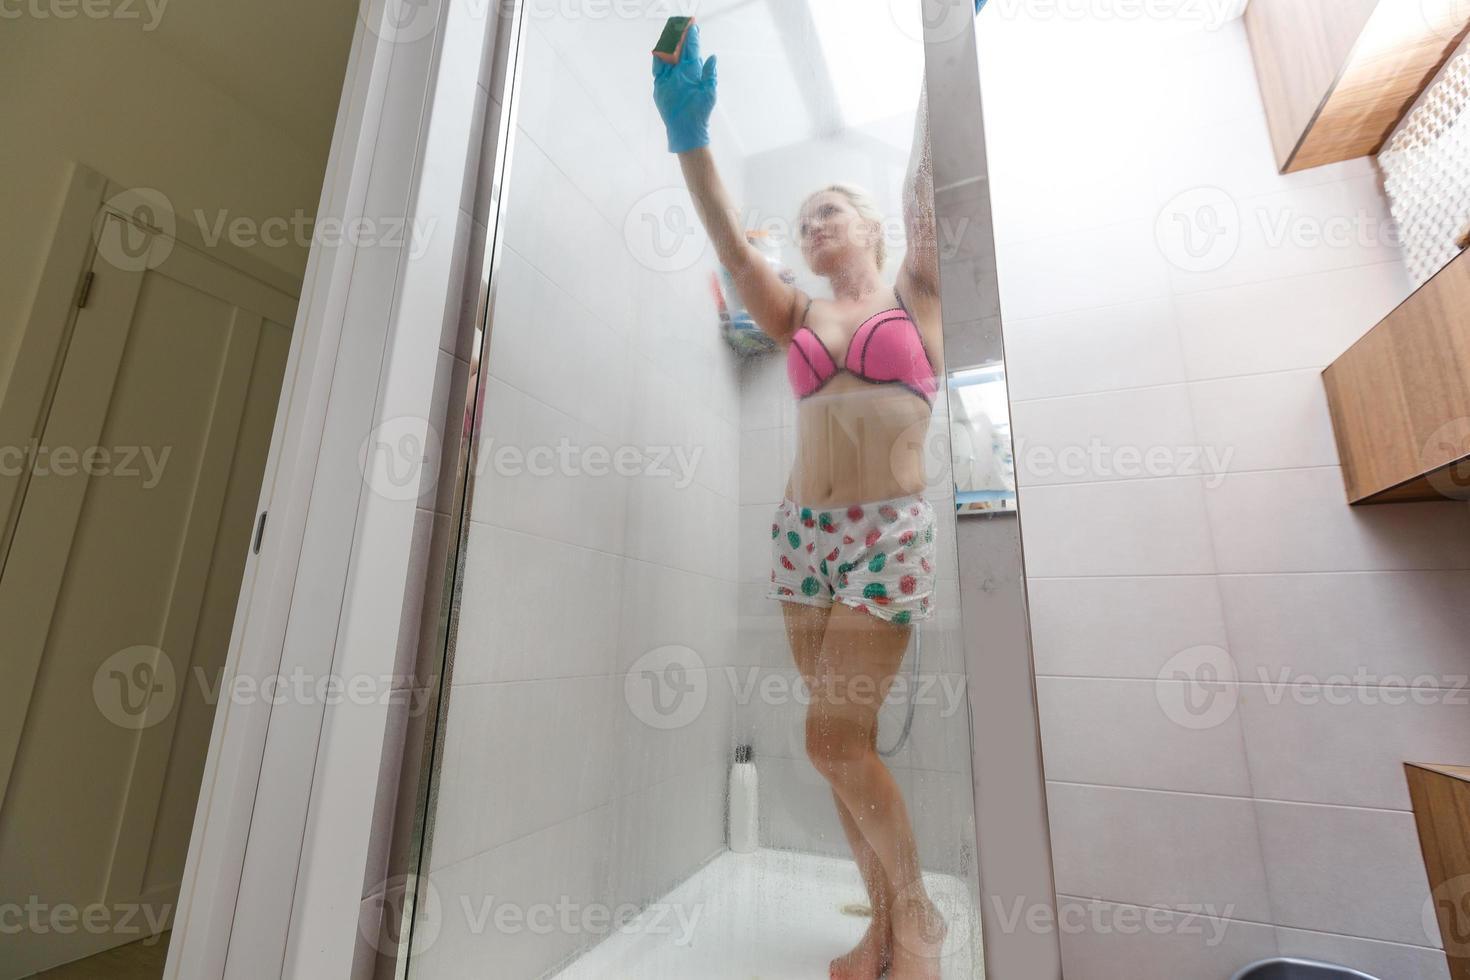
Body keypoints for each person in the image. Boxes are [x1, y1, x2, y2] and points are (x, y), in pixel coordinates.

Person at [654, 24, 948, 980]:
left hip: (884, 536)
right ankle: (881, 931)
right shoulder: (798, 314)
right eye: (807, 220)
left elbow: (927, 190)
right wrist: (688, 135)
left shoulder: (916, 294)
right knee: (840, 751)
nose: (816, 226)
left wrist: (947, 47)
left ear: (868, 225)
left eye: (831, 211)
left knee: (829, 738)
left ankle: (920, 923)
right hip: (801, 542)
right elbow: (733, 247)